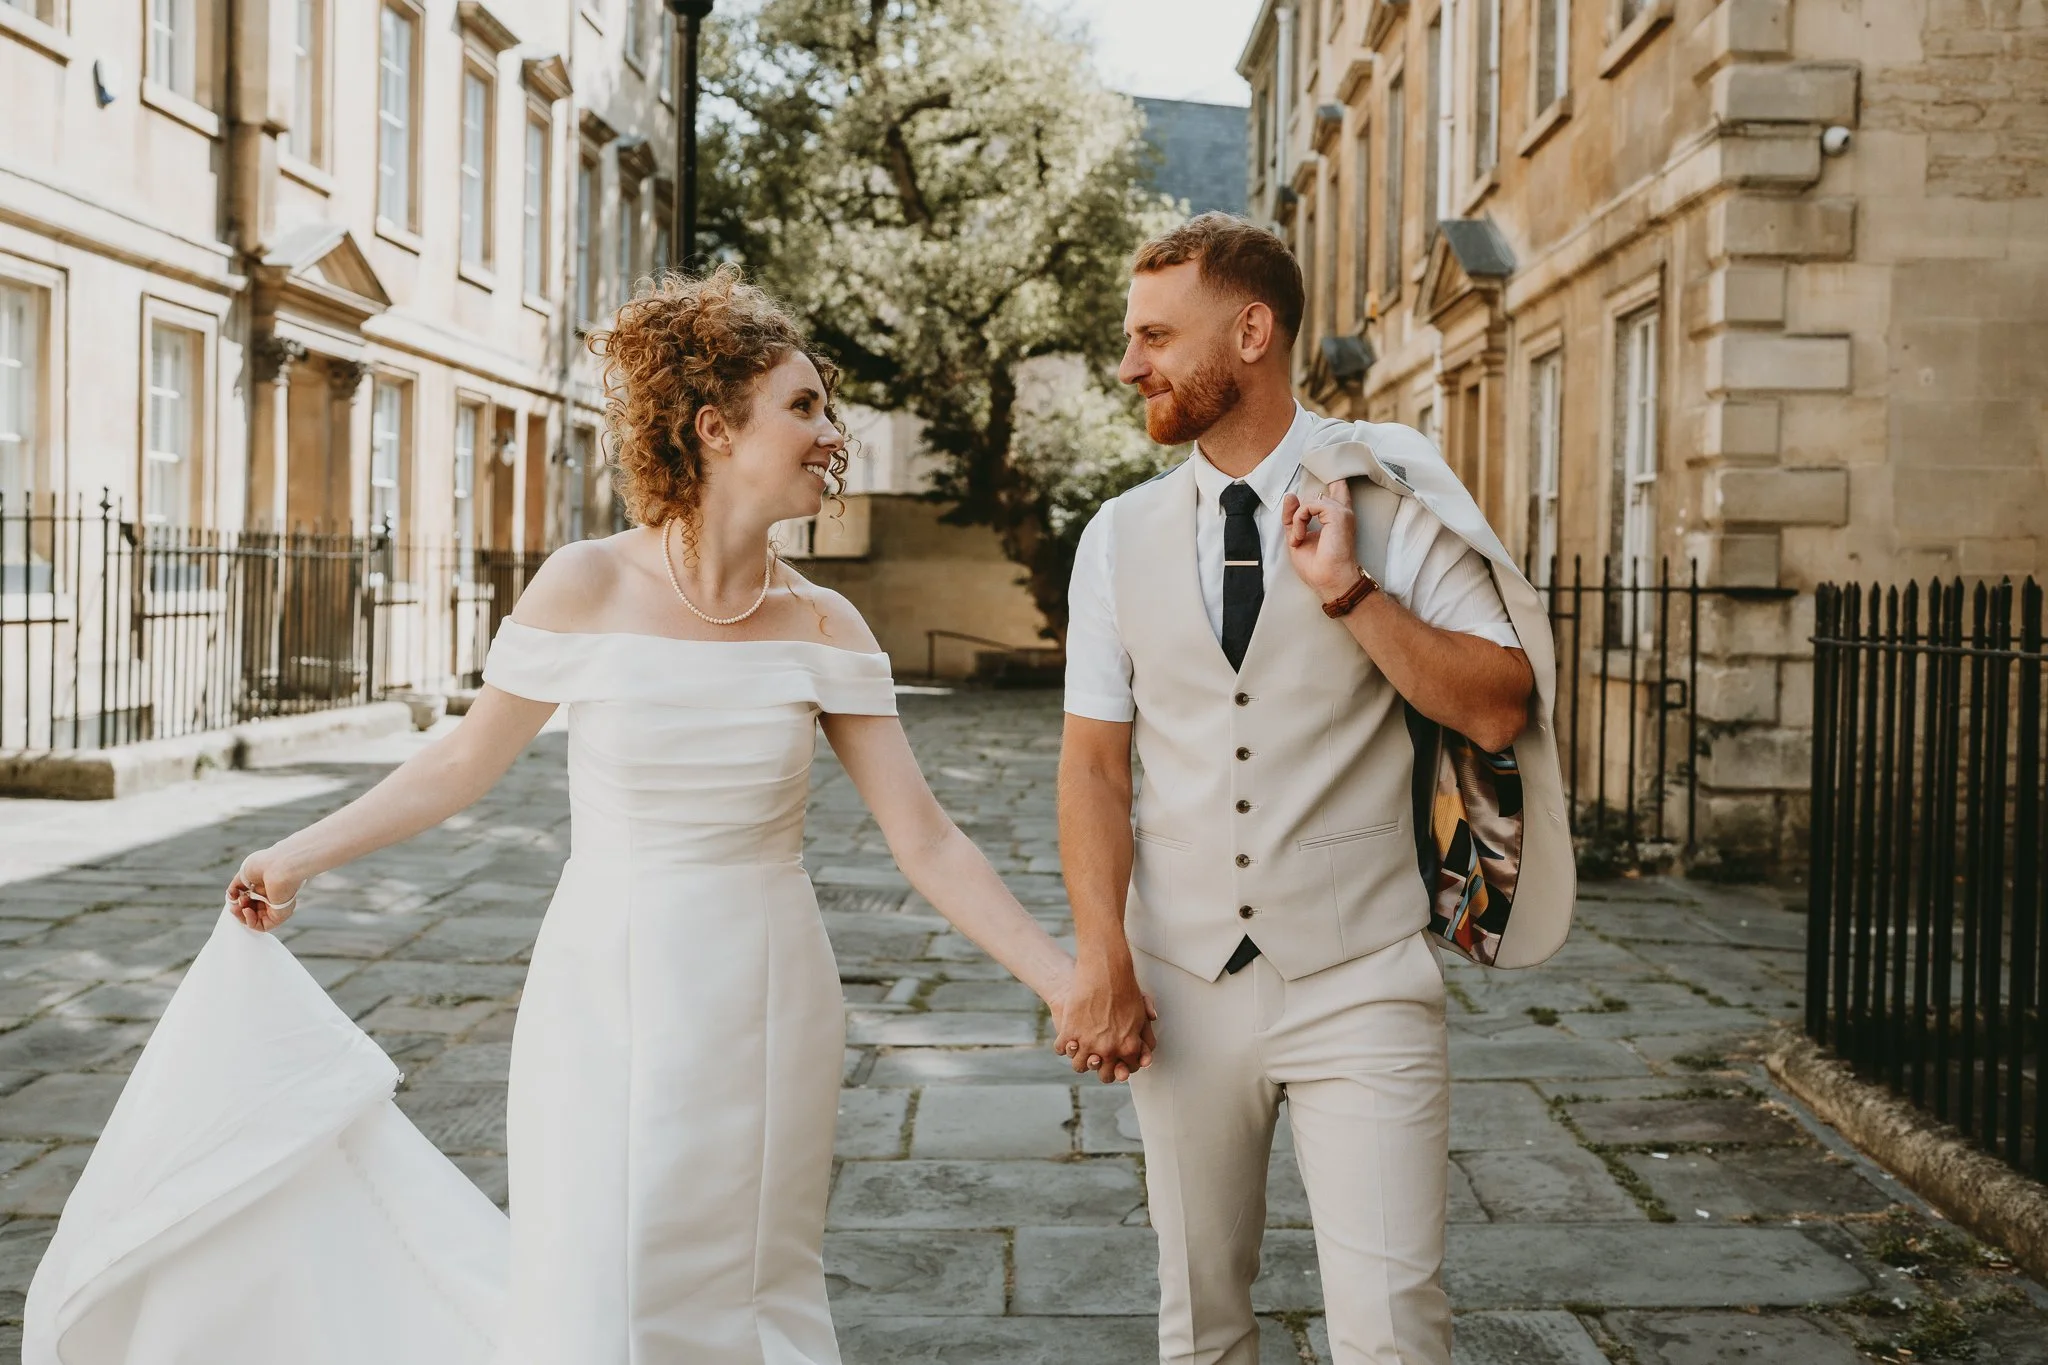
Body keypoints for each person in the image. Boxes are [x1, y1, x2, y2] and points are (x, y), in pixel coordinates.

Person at [26, 266, 1096, 1365]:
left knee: (751, 1267)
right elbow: (458, 765)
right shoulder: (583, 584)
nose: (836, 432)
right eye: (806, 406)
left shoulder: (824, 625)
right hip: (605, 979)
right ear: (713, 428)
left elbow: (923, 837)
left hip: (770, 987)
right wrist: (294, 853)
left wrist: (1064, 980)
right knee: (608, 1263)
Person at [1053, 214, 1573, 1365]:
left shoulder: (1387, 500)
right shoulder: (1115, 537)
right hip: (1181, 985)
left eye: (1153, 335)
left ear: (1250, 331)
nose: (1129, 364)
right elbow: (1091, 765)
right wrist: (1102, 956)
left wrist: (1350, 594)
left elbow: (1498, 703)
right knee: (1200, 1327)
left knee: (1393, 1334)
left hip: (1360, 976)